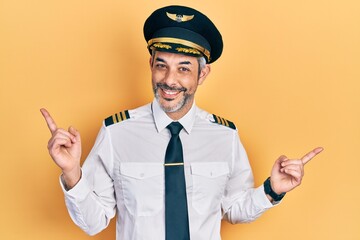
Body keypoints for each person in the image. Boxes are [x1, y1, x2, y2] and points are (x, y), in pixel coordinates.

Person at [40, 5, 323, 240]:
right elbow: (93, 222)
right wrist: (72, 173)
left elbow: (234, 210)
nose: (169, 80)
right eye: (161, 65)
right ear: (151, 65)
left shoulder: (225, 136)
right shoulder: (116, 132)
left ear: (202, 74)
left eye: (184, 68)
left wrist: (272, 190)